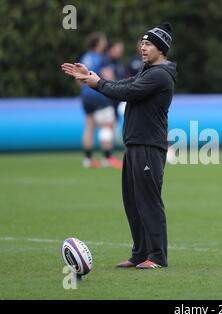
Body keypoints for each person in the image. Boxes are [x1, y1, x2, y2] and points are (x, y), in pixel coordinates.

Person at [62, 23, 177, 269]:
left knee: (148, 201)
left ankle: (157, 256)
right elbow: (124, 86)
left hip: (149, 146)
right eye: (142, 43)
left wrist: (96, 82)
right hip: (135, 144)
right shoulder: (147, 71)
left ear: (161, 50)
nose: (142, 48)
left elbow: (128, 91)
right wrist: (95, 78)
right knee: (133, 201)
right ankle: (139, 253)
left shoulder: (160, 74)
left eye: (148, 44)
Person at [78, 32, 123, 169]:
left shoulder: (85, 57)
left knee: (89, 127)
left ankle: (88, 159)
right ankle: (107, 157)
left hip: (86, 97)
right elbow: (108, 77)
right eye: (103, 41)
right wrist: (117, 88)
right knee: (107, 125)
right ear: (98, 43)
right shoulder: (101, 58)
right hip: (99, 96)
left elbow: (79, 80)